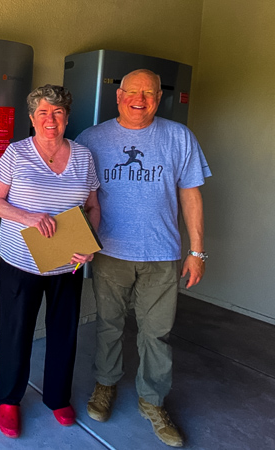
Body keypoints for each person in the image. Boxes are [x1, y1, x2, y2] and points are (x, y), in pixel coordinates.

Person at [75, 69, 211, 448]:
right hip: (109, 253)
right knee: (109, 325)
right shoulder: (92, 139)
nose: (140, 99)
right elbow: (75, 194)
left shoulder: (179, 137)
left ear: (159, 97)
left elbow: (191, 196)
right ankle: (105, 385)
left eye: (149, 92)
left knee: (157, 334)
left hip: (162, 255)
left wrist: (197, 251)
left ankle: (153, 402)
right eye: (132, 92)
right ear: (118, 97)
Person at [0, 84, 100, 439]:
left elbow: (93, 207)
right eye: (43, 113)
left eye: (58, 112)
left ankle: (58, 397)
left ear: (67, 117)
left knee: (64, 332)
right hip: (21, 264)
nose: (51, 120)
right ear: (33, 119)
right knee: (16, 332)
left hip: (69, 264)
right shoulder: (17, 154)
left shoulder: (83, 157)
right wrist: (29, 217)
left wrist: (90, 246)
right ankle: (9, 399)